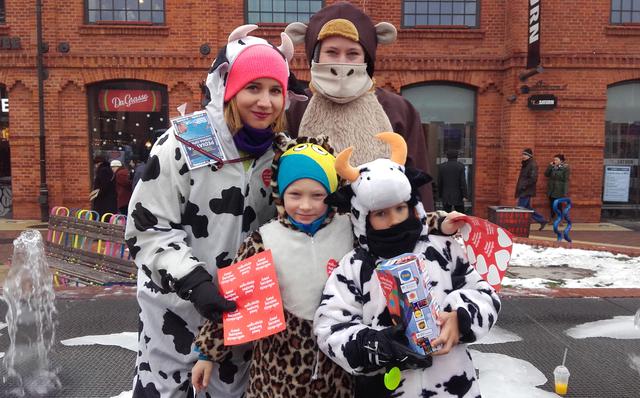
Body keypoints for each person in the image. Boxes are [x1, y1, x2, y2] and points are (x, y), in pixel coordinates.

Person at [124, 25, 294, 398]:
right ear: (228, 87)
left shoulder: (286, 154)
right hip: (175, 311)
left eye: (275, 90)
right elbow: (146, 227)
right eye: (253, 88)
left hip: (241, 316)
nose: (265, 102)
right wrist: (193, 281)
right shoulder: (183, 143)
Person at [314, 133, 500, 397]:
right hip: (385, 388)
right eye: (380, 213)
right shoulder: (355, 266)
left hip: (452, 385)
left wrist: (461, 319)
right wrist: (376, 345)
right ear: (363, 218)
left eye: (400, 208)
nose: (393, 220)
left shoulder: (444, 249)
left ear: (413, 206)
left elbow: (485, 294)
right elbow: (329, 326)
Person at [192, 139, 354, 397]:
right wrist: (207, 354)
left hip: (338, 366)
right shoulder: (265, 239)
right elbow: (233, 298)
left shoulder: (350, 231)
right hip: (277, 366)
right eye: (295, 194)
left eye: (318, 195)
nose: (306, 206)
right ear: (280, 193)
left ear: (332, 194)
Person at [284, 1, 434, 210]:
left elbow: (418, 183)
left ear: (367, 58)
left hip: (382, 235)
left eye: (353, 53)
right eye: (332, 52)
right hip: (313, 231)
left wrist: (424, 231)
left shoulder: (399, 109)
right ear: (315, 56)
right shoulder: (295, 106)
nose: (342, 62)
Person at [515, 148, 547, 231]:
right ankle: (542, 220)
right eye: (523, 154)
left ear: (529, 156)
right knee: (527, 208)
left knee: (520, 209)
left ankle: (517, 225)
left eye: (525, 155)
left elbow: (533, 178)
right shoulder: (526, 164)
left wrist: (524, 186)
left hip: (526, 190)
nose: (523, 156)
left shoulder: (532, 164)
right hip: (524, 189)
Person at [544, 154, 570, 221]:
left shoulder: (565, 168)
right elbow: (546, 174)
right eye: (554, 160)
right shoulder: (552, 167)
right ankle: (552, 218)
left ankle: (560, 218)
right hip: (551, 189)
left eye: (556, 160)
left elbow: (566, 180)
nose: (555, 161)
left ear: (561, 161)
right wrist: (550, 166)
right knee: (552, 204)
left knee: (558, 205)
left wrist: (565, 191)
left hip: (559, 189)